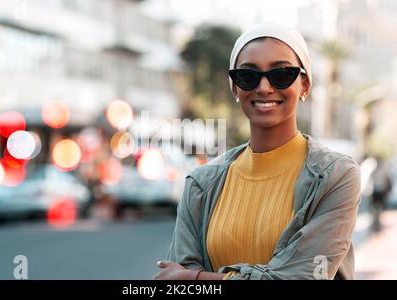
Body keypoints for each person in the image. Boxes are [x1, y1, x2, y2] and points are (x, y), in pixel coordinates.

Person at [153, 23, 361, 280]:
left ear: (305, 85)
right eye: (248, 76)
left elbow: (303, 277)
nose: (263, 87)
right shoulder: (201, 183)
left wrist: (197, 279)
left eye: (281, 73)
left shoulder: (336, 175)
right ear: (235, 87)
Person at [370, 157, 393, 232]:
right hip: (376, 192)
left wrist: (387, 191)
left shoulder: (383, 172)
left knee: (379, 209)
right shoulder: (375, 171)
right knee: (375, 209)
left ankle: (378, 225)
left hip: (380, 193)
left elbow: (388, 182)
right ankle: (375, 224)